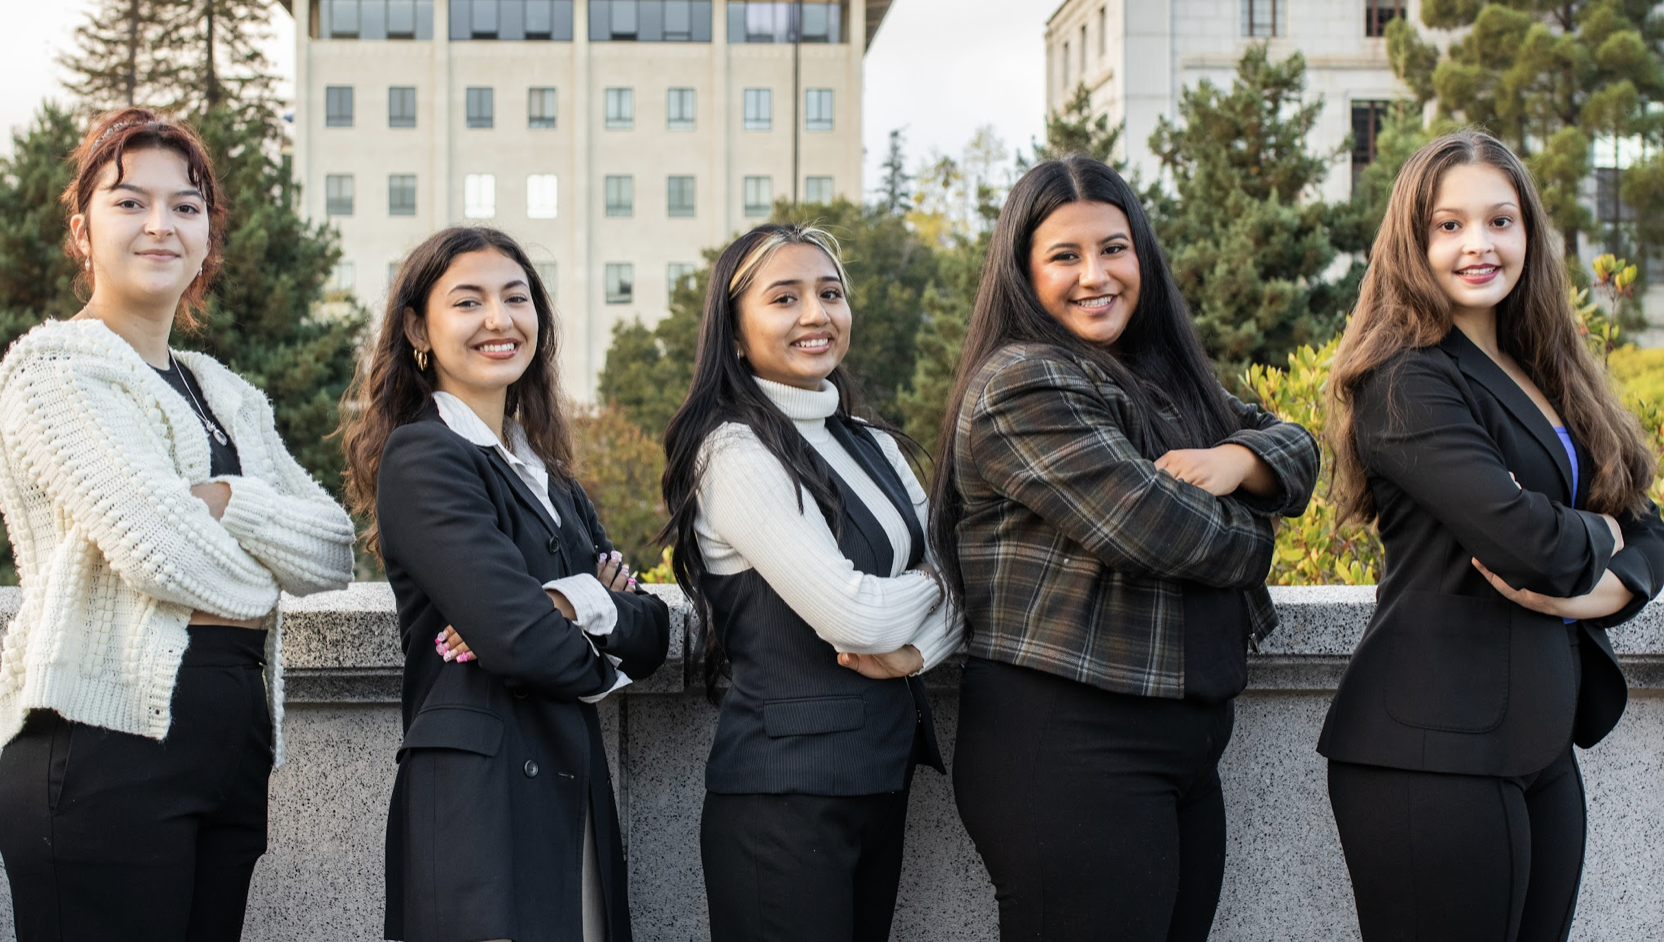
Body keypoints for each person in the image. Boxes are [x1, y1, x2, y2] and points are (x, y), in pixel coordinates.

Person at [928, 154, 1319, 942]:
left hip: (1179, 750)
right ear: (1023, 273)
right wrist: (1257, 519)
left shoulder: (1160, 376)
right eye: (1064, 257)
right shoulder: (1022, 385)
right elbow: (1167, 532)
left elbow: (1296, 442)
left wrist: (1238, 460)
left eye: (1114, 248)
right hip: (1069, 747)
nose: (1095, 275)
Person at [0, 107, 357, 941]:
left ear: (207, 240)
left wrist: (226, 501)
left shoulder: (222, 391)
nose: (160, 224)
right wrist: (244, 547)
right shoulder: (54, 371)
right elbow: (161, 552)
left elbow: (333, 547)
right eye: (129, 202)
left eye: (185, 206)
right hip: (102, 742)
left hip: (228, 745)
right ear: (82, 230)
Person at [1319, 130, 1664, 942]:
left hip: (1538, 742)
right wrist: (1599, 531)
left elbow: (1645, 518)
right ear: (1413, 239)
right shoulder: (1403, 379)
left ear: (1528, 234)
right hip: (1430, 754)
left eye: (1500, 221)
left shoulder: (1542, 364)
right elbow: (1527, 548)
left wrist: (1612, 582)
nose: (1478, 244)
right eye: (1449, 225)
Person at [340, 226, 670, 942]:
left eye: (516, 298)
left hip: (568, 785)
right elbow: (522, 643)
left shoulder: (550, 477)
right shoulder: (425, 456)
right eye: (468, 301)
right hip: (478, 803)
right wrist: (585, 607)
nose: (500, 319)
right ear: (416, 329)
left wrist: (567, 601)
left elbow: (652, 634)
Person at [658, 223, 962, 942]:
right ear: (735, 332)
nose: (816, 314)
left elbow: (964, 586)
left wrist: (917, 652)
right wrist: (938, 577)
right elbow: (856, 617)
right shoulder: (732, 451)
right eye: (784, 298)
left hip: (878, 782)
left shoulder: (874, 444)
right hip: (781, 802)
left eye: (830, 294)